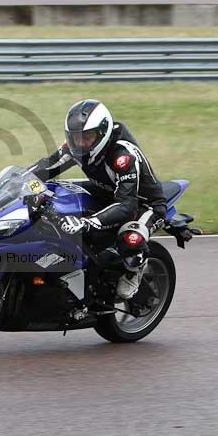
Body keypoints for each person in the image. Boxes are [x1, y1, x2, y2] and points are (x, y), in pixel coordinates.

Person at [27, 99, 167, 300]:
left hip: (142, 203)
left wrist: (87, 222)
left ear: (102, 133)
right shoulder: (74, 148)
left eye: (88, 137)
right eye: (76, 138)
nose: (81, 143)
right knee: (54, 194)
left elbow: (126, 205)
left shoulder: (123, 156)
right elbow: (44, 168)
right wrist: (14, 184)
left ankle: (134, 272)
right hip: (104, 192)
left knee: (130, 239)